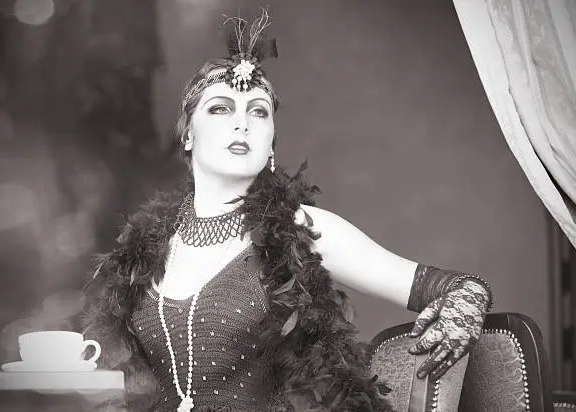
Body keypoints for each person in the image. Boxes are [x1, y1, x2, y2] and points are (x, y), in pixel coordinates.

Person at [81, 10, 493, 412]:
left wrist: (465, 306)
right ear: (188, 134)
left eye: (258, 111)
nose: (241, 123)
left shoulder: (304, 230)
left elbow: (461, 287)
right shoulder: (148, 249)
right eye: (221, 108)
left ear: (271, 142)